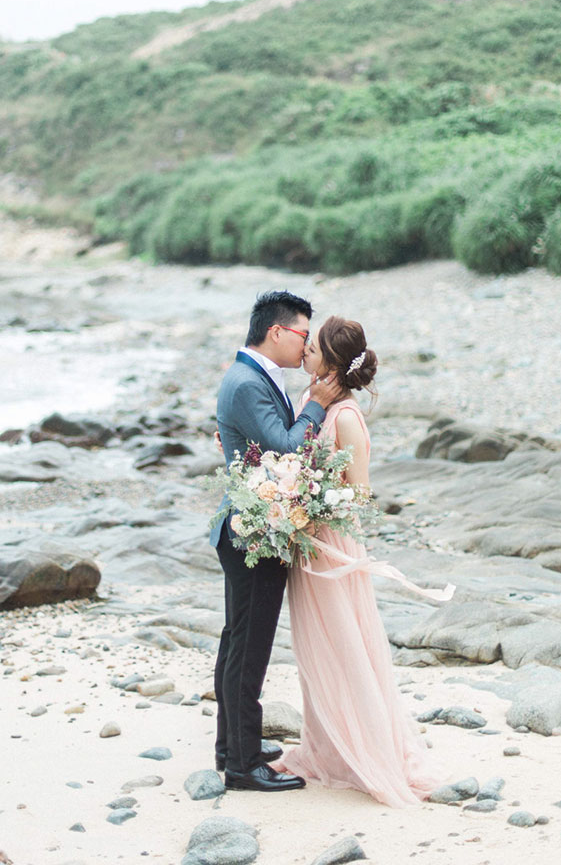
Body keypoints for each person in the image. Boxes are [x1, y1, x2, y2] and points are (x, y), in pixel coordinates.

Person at [275, 315, 449, 805]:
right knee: (315, 649)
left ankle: (366, 750)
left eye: (312, 349)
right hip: (309, 546)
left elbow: (361, 495)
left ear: (332, 362)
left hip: (331, 548)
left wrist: (309, 507)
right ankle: (327, 748)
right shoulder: (314, 404)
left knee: (346, 647)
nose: (304, 352)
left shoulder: (346, 417)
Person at [212, 290, 341, 792]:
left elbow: (259, 441)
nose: (307, 345)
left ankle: (233, 745)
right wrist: (320, 406)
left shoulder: (254, 376)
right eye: (304, 335)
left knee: (237, 642)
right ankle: (243, 766)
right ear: (277, 332)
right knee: (248, 649)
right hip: (252, 534)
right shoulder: (247, 382)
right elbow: (288, 446)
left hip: (253, 527)